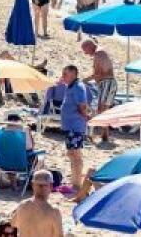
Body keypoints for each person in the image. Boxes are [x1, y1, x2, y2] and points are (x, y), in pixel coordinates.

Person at [59, 65, 94, 195]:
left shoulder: (78, 87)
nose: (63, 76)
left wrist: (86, 117)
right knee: (71, 153)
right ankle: (75, 181)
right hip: (70, 126)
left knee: (75, 154)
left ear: (74, 73)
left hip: (75, 125)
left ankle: (77, 185)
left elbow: (82, 106)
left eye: (65, 74)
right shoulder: (71, 86)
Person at [9, 169, 63, 237]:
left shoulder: (22, 205)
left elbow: (12, 225)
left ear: (32, 185)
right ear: (51, 186)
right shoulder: (54, 211)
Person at [80, 40, 116, 142]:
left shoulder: (99, 53)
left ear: (90, 46)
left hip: (107, 83)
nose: (85, 53)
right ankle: (105, 135)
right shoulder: (99, 53)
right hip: (106, 83)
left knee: (102, 109)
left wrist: (85, 80)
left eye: (85, 50)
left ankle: (105, 135)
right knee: (102, 109)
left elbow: (103, 71)